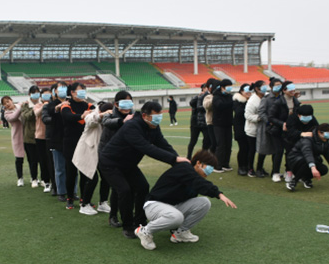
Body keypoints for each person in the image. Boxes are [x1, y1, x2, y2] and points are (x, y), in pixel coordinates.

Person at [98, 101, 190, 239]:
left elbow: (162, 144)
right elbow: (147, 148)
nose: (159, 118)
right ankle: (128, 226)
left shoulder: (153, 126)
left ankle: (140, 221)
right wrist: (173, 159)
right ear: (145, 116)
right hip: (110, 163)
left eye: (160, 115)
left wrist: (177, 160)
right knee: (124, 190)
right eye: (156, 115)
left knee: (143, 187)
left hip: (128, 164)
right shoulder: (132, 126)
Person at [135, 150, 237, 250]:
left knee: (204, 203)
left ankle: (180, 233)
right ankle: (145, 231)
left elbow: (199, 184)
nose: (210, 171)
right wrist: (219, 194)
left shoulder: (194, 176)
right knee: (176, 216)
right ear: (198, 163)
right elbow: (199, 182)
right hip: (154, 206)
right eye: (209, 167)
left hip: (172, 206)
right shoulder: (184, 168)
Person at [73, 101, 114, 215]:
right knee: (92, 178)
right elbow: (90, 120)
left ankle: (103, 203)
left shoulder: (110, 118)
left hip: (101, 152)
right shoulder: (92, 114)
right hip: (87, 152)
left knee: (106, 177)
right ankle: (84, 204)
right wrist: (102, 114)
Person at [100, 91, 134, 227]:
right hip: (109, 159)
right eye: (124, 103)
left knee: (130, 187)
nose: (127, 106)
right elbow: (106, 122)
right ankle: (113, 216)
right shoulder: (110, 115)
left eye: (129, 102)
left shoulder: (133, 115)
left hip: (125, 157)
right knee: (118, 188)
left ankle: (129, 215)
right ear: (116, 104)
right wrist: (122, 121)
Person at [60, 82, 95, 210]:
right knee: (71, 172)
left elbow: (96, 114)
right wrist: (81, 116)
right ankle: (69, 198)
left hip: (85, 142)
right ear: (72, 92)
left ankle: (84, 199)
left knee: (85, 172)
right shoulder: (66, 105)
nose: (82, 93)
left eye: (84, 90)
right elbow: (67, 117)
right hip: (70, 143)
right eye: (80, 90)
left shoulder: (89, 105)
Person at [286, 123, 329, 191]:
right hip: (295, 159)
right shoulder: (308, 139)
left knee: (323, 169)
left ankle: (305, 178)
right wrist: (313, 167)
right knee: (306, 162)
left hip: (309, 160)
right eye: (328, 133)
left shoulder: (325, 142)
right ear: (319, 132)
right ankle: (293, 182)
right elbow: (307, 153)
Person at [266, 80, 301, 182]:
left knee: (290, 152)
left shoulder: (296, 101)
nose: (292, 90)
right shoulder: (278, 102)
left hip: (290, 131)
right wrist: (282, 124)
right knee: (279, 151)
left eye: (293, 88)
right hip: (277, 131)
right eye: (290, 89)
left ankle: (288, 171)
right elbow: (271, 117)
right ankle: (275, 172)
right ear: (284, 90)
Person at [41, 82, 69, 201]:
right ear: (55, 92)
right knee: (57, 166)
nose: (62, 90)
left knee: (70, 167)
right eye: (59, 88)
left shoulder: (70, 103)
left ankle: (71, 190)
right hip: (54, 138)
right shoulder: (50, 105)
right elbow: (46, 118)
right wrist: (56, 116)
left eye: (64, 88)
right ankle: (58, 189)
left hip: (69, 138)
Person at [244, 80, 268, 177]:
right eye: (263, 86)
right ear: (257, 89)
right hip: (253, 129)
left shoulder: (266, 96)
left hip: (264, 129)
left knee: (263, 149)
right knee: (252, 150)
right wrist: (259, 118)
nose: (265, 88)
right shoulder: (252, 101)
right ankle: (250, 168)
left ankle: (260, 168)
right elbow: (248, 115)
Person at [211, 79, 235, 172]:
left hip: (228, 123)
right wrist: (233, 102)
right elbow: (220, 106)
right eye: (228, 86)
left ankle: (225, 164)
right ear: (222, 87)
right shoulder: (216, 96)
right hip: (218, 124)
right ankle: (217, 165)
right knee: (220, 145)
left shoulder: (229, 96)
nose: (230, 88)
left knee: (228, 144)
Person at [2, 95, 26, 186]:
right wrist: (21, 108)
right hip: (17, 137)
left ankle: (34, 178)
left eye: (8, 101)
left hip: (28, 135)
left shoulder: (20, 105)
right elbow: (14, 117)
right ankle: (20, 178)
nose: (7, 104)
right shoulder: (6, 114)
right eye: (4, 103)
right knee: (19, 159)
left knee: (33, 157)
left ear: (11, 100)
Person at [20, 86, 42, 187]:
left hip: (41, 135)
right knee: (33, 160)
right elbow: (26, 116)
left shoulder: (43, 103)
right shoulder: (25, 105)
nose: (36, 95)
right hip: (29, 136)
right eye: (34, 92)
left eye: (38, 92)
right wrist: (35, 109)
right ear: (29, 94)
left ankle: (44, 179)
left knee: (43, 159)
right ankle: (34, 178)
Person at [34, 88, 52, 192]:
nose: (47, 97)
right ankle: (46, 182)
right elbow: (36, 113)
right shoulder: (38, 106)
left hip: (51, 137)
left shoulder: (54, 105)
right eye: (44, 95)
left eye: (48, 95)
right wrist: (44, 106)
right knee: (43, 160)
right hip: (40, 137)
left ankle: (53, 181)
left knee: (51, 161)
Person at [187, 83, 212, 158]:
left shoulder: (209, 97)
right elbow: (192, 103)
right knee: (193, 141)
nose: (206, 89)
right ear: (202, 89)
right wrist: (198, 97)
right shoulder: (198, 97)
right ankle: (189, 156)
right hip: (195, 123)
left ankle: (203, 156)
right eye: (205, 88)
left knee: (207, 140)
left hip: (204, 123)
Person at [233, 84, 251, 175]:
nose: (248, 92)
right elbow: (239, 113)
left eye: (249, 90)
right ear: (241, 91)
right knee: (243, 148)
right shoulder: (237, 101)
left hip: (250, 128)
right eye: (246, 90)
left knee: (250, 148)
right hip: (240, 128)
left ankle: (248, 166)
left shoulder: (253, 100)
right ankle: (241, 167)